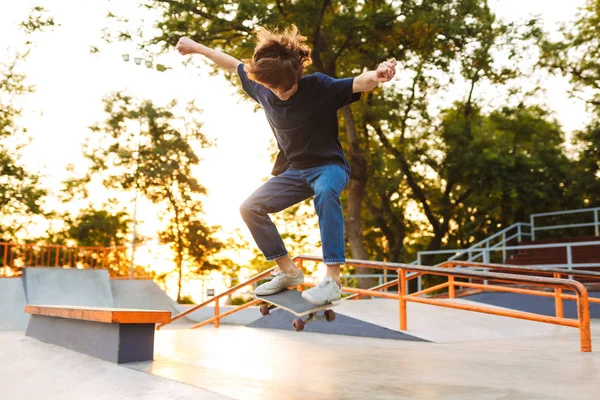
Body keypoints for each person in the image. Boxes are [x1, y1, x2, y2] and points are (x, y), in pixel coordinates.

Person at [176, 25, 396, 306]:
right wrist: (196, 47)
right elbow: (233, 64)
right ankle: (288, 272)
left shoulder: (318, 86)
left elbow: (357, 83)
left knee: (326, 193)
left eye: (287, 87)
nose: (280, 92)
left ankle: (332, 280)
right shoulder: (263, 84)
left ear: (298, 76)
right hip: (293, 172)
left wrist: (377, 76)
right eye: (273, 88)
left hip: (328, 167)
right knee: (249, 207)